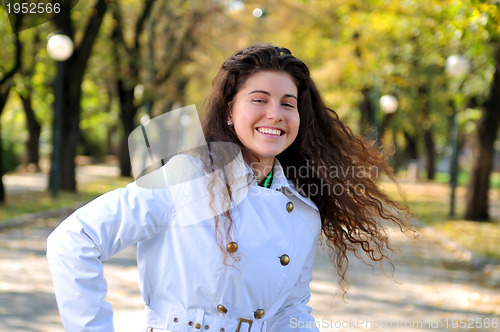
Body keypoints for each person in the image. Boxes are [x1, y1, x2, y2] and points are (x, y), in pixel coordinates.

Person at [47, 44, 408, 332]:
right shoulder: (187, 175)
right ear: (230, 111)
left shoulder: (303, 207)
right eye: (259, 99)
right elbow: (74, 240)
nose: (275, 114)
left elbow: (290, 309)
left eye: (288, 104)